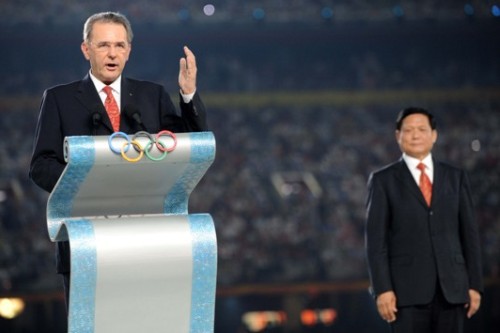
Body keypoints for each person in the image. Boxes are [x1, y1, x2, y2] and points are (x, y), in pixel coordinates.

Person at [29, 11, 208, 305]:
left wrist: (188, 95)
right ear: (86, 49)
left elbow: (191, 145)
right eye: (103, 45)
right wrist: (88, 188)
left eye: (120, 45)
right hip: (85, 242)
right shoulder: (59, 99)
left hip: (148, 241)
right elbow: (41, 166)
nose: (112, 54)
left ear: (129, 51)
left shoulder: (153, 96)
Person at [365, 107, 483, 333]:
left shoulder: (455, 177)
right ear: (397, 136)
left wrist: (475, 285)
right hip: (405, 294)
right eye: (408, 130)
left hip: (453, 291)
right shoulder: (383, 181)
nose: (415, 135)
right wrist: (382, 290)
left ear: (434, 135)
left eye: (422, 129)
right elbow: (375, 243)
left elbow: (470, 235)